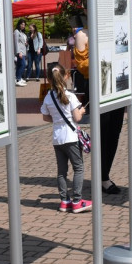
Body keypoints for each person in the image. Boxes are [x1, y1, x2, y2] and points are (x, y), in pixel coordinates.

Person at [69, 28, 122, 195]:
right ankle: (103, 177)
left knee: (114, 132)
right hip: (99, 86)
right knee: (103, 133)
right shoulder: (83, 35)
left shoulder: (114, 27)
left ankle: (104, 174)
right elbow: (83, 68)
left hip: (117, 85)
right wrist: (103, 61)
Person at [40, 63, 91, 213]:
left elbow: (45, 117)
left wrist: (58, 120)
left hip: (57, 137)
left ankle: (64, 201)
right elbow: (77, 117)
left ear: (50, 79)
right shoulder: (70, 96)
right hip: (71, 137)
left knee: (61, 171)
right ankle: (77, 201)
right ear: (65, 76)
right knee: (78, 168)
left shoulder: (48, 97)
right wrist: (81, 111)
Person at [14, 19, 28, 85]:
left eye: (24, 25)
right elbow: (16, 42)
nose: (23, 26)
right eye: (22, 24)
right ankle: (18, 79)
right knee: (23, 64)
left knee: (20, 65)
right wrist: (18, 52)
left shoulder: (22, 32)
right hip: (20, 52)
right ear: (19, 24)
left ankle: (18, 78)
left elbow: (22, 42)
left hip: (24, 51)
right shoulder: (16, 32)